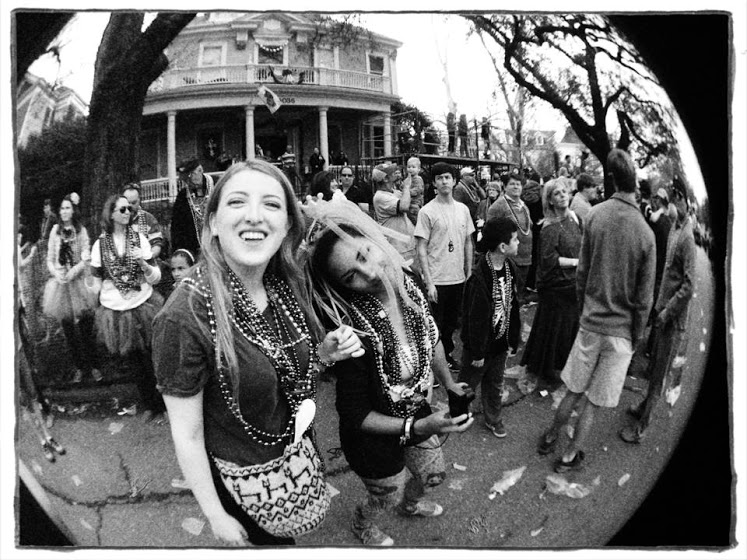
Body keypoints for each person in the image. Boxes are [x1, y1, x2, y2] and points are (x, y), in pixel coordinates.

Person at [152, 160, 363, 546]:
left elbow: (283, 371)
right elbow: (188, 433)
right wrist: (215, 515)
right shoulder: (184, 316)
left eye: (271, 204)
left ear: (286, 225)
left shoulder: (282, 282)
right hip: (240, 485)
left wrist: (324, 354)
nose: (254, 216)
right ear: (213, 222)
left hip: (294, 458)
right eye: (237, 202)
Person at [304, 198, 474, 547]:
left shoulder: (408, 283)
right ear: (342, 286)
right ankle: (364, 523)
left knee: (432, 474)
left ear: (377, 242)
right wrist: (418, 426)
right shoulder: (353, 333)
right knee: (387, 493)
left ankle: (410, 505)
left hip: (419, 411)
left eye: (365, 255)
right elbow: (354, 415)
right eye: (351, 275)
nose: (369, 273)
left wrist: (447, 381)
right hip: (373, 440)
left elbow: (433, 337)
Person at [537, 149, 656, 472]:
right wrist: (637, 335)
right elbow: (645, 298)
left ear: (611, 180)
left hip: (590, 322)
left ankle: (550, 435)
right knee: (592, 401)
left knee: (573, 389)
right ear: (636, 185)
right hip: (621, 332)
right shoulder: (646, 233)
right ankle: (568, 456)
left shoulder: (596, 216)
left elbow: (582, 273)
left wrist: (584, 310)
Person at [619, 176, 696, 443]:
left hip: (673, 320)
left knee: (659, 373)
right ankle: (643, 407)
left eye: (676, 200)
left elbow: (688, 285)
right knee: (654, 371)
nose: (672, 205)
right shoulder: (676, 228)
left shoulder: (686, 237)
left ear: (686, 203)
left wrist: (667, 312)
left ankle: (642, 428)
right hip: (662, 311)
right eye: (671, 200)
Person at [87, 194, 165, 422]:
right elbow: (97, 283)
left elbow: (156, 277)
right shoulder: (99, 245)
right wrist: (90, 288)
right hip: (117, 311)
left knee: (152, 358)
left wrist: (143, 264)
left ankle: (164, 404)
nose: (127, 212)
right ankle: (149, 405)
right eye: (121, 209)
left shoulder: (139, 239)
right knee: (135, 364)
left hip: (143, 304)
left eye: (129, 209)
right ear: (110, 214)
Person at [460, 217, 521, 439]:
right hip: (480, 346)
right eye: (515, 240)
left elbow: (513, 305)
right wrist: (477, 352)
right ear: (502, 246)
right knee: (468, 384)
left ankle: (493, 418)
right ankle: (458, 414)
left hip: (500, 343)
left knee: (495, 384)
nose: (518, 243)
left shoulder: (510, 267)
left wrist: (512, 339)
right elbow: (474, 319)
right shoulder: (480, 276)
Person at [520, 180, 583, 391]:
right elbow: (549, 261)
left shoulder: (574, 219)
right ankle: (549, 367)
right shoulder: (549, 227)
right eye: (557, 193)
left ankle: (561, 364)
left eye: (565, 192)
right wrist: (577, 263)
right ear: (550, 200)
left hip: (574, 284)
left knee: (568, 328)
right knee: (555, 329)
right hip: (556, 287)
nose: (563, 196)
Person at [415, 162, 475, 371]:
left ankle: (446, 356)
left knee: (451, 323)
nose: (444, 181)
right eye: (439, 178)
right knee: (434, 325)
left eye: (448, 177)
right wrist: (429, 282)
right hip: (437, 279)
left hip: (458, 278)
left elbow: (468, 241)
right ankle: (429, 365)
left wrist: (469, 271)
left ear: (455, 180)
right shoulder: (427, 211)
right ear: (433, 183)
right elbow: (421, 248)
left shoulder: (463, 209)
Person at [42, 194, 101, 384]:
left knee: (85, 326)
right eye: (62, 209)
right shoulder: (55, 231)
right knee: (68, 329)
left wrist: (74, 271)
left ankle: (94, 365)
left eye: (68, 208)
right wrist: (57, 273)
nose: (64, 211)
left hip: (78, 283)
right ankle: (79, 367)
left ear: (73, 210)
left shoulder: (81, 230)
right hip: (61, 285)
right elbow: (50, 258)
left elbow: (86, 257)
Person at [487, 172, 533, 304]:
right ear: (505, 186)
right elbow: (490, 231)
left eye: (518, 184)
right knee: (508, 296)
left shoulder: (524, 206)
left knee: (519, 294)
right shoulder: (498, 206)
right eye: (512, 184)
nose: (516, 187)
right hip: (510, 258)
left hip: (525, 257)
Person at [123, 183, 172, 299]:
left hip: (147, 266)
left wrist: (145, 258)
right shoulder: (118, 219)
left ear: (140, 200)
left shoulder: (148, 219)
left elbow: (157, 246)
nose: (130, 206)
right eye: (127, 203)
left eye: (133, 203)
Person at [371, 162, 418, 269]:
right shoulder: (380, 197)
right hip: (398, 249)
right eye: (392, 172)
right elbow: (404, 206)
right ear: (385, 179)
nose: (396, 173)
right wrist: (406, 187)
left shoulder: (393, 192)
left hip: (408, 246)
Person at [171, 158, 215, 258]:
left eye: (189, 177)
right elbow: (177, 230)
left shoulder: (216, 187)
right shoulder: (183, 196)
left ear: (200, 170)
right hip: (194, 252)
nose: (186, 182)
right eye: (185, 180)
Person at [649, 187, 674, 301]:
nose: (655, 201)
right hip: (665, 265)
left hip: (657, 264)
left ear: (659, 200)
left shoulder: (658, 221)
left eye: (656, 199)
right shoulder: (669, 222)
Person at [404, 157, 425, 225]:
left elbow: (417, 191)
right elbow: (402, 187)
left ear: (419, 169)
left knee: (415, 223)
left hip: (415, 204)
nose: (410, 169)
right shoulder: (407, 179)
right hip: (407, 205)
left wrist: (406, 191)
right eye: (409, 167)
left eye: (413, 167)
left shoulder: (418, 179)